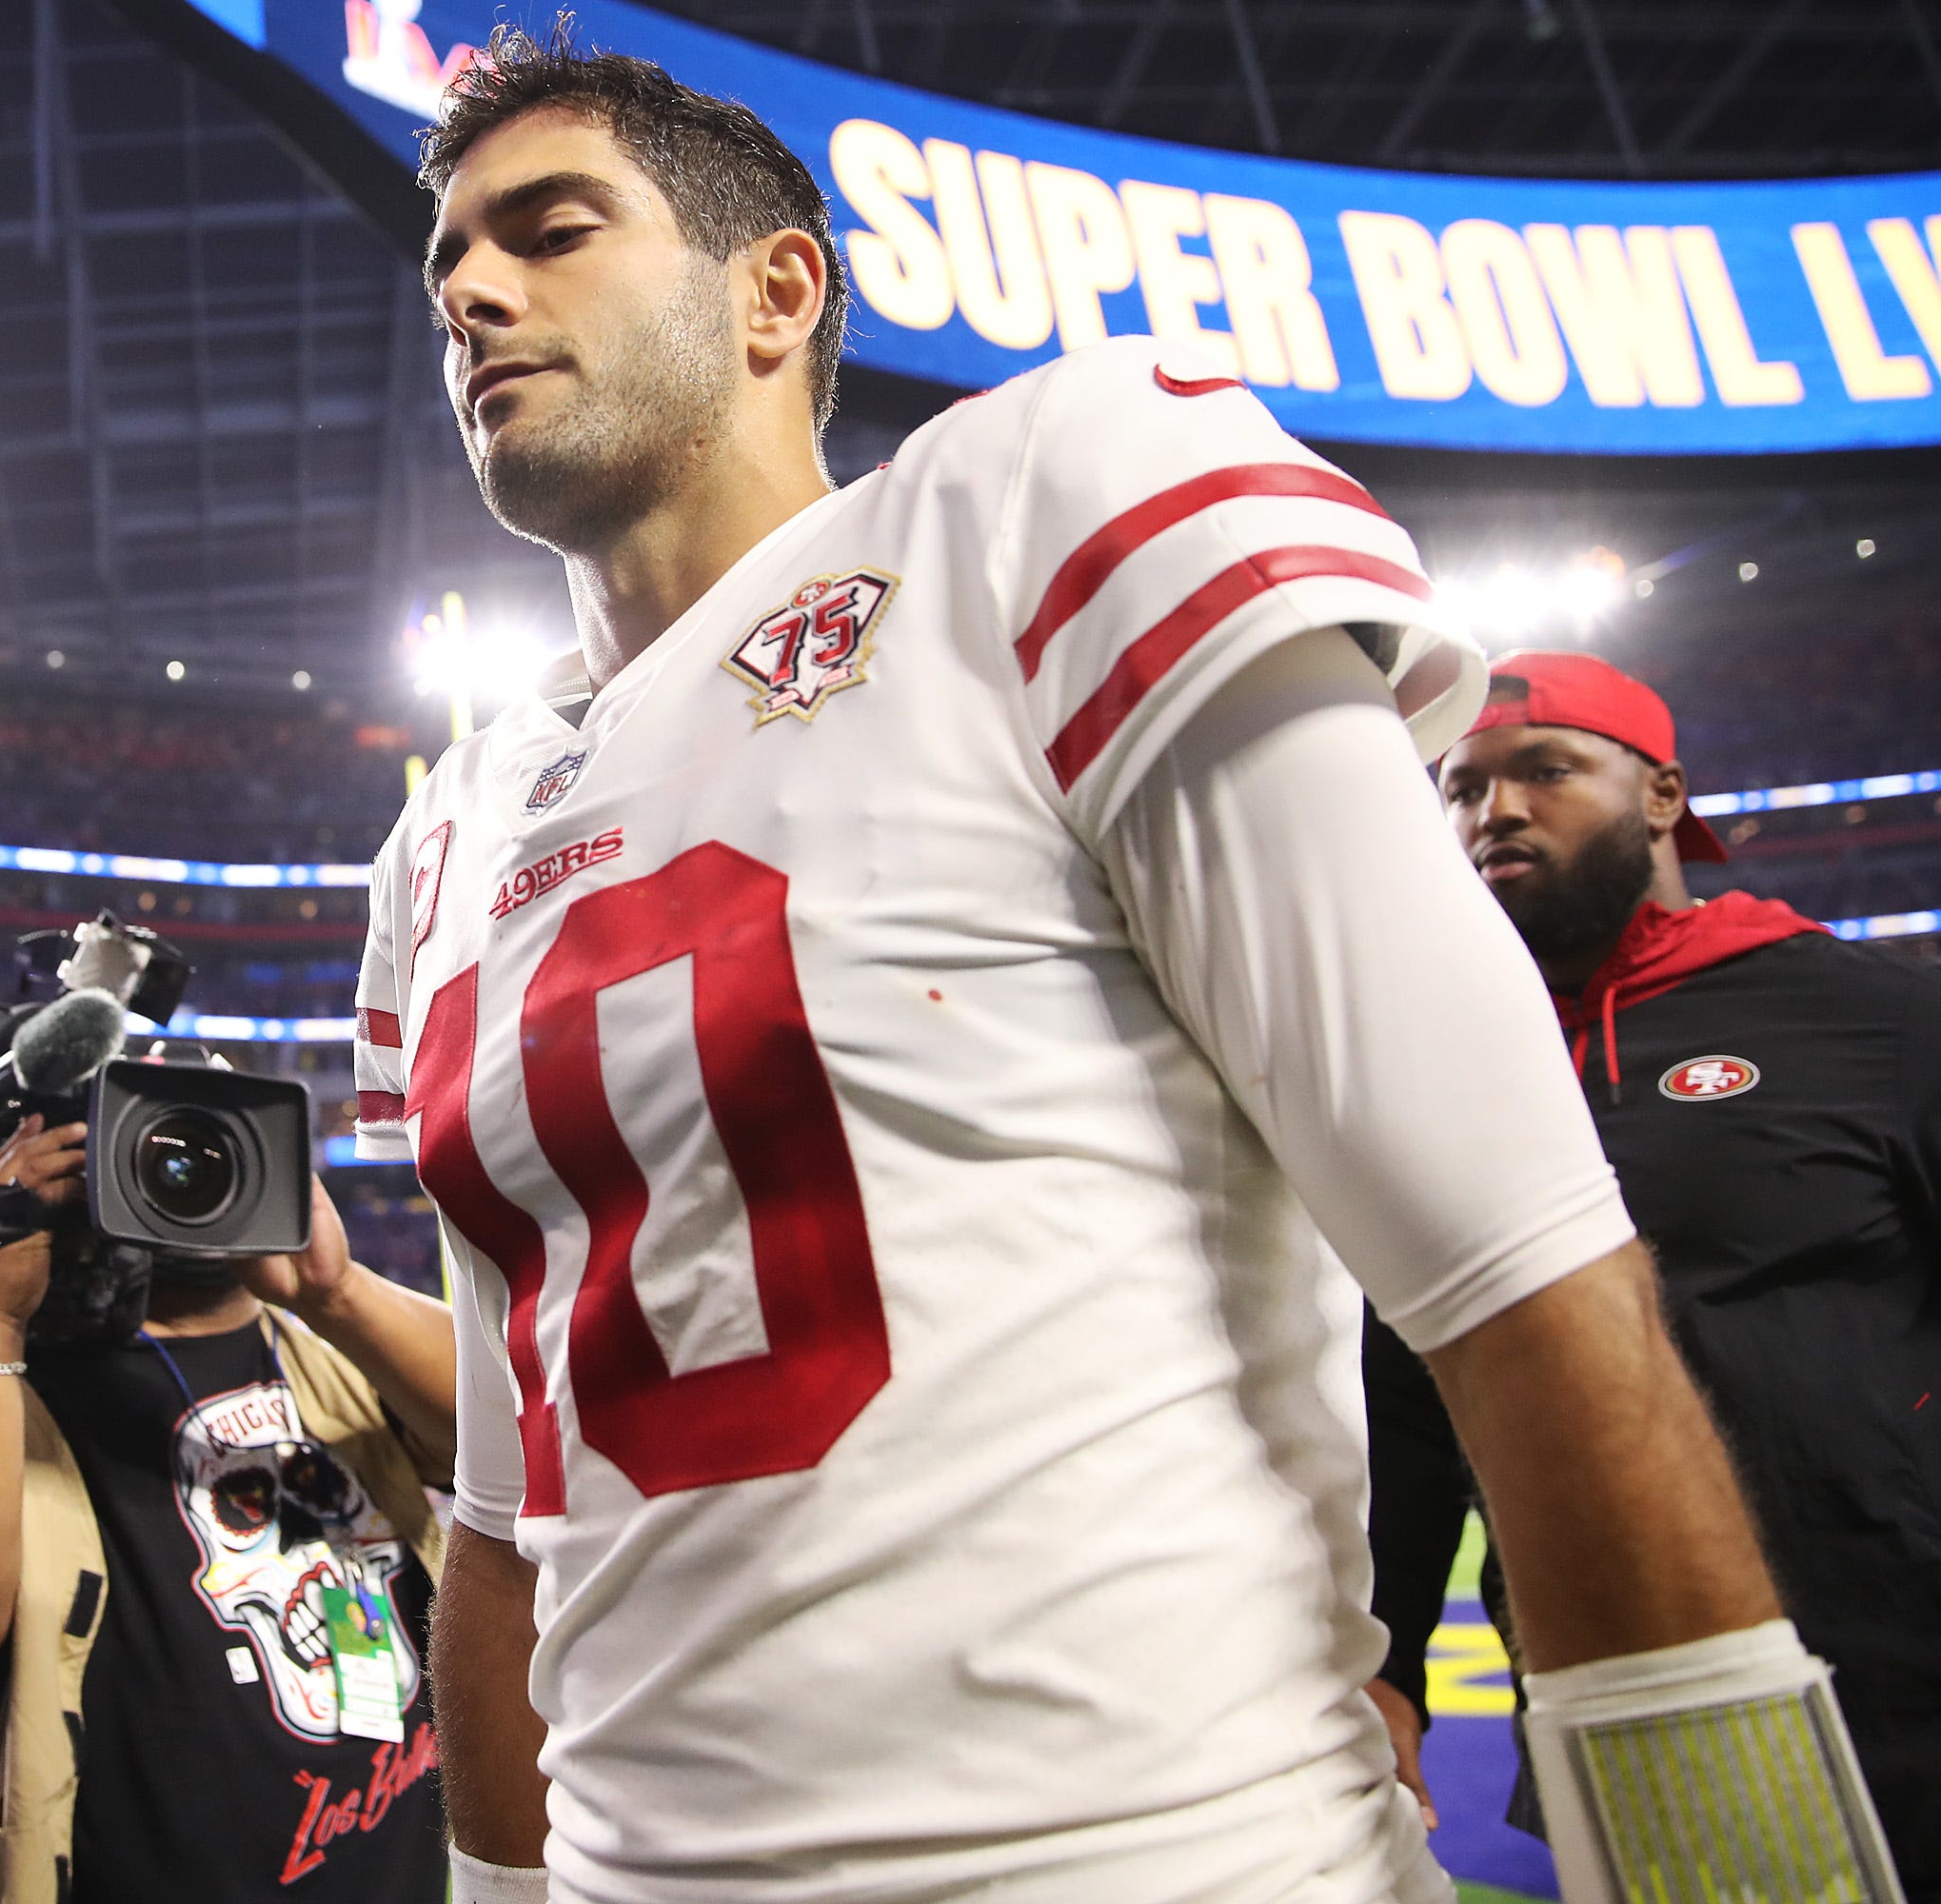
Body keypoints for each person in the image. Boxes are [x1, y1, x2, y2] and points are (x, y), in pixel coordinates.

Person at [384, 30, 1846, 1904]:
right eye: (450, 267)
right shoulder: (447, 832)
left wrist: (1753, 1876)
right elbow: (510, 1525)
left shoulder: (1036, 500)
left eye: (552, 227)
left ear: (777, 290)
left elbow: (1522, 1264)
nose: (476, 291)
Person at [1362, 648, 1941, 1890]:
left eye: (1546, 770)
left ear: (1664, 798)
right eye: (1460, 789)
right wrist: (1392, 1661)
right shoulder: (1444, 1064)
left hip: (1904, 1657)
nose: (1494, 811)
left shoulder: (1871, 1019)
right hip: (1601, 1676)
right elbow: (1407, 1403)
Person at [0, 1134, 456, 1904]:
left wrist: (334, 1288)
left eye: (208, 1141)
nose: (179, 1174)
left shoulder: (337, 1353)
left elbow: (520, 1449)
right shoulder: (1, 1396)